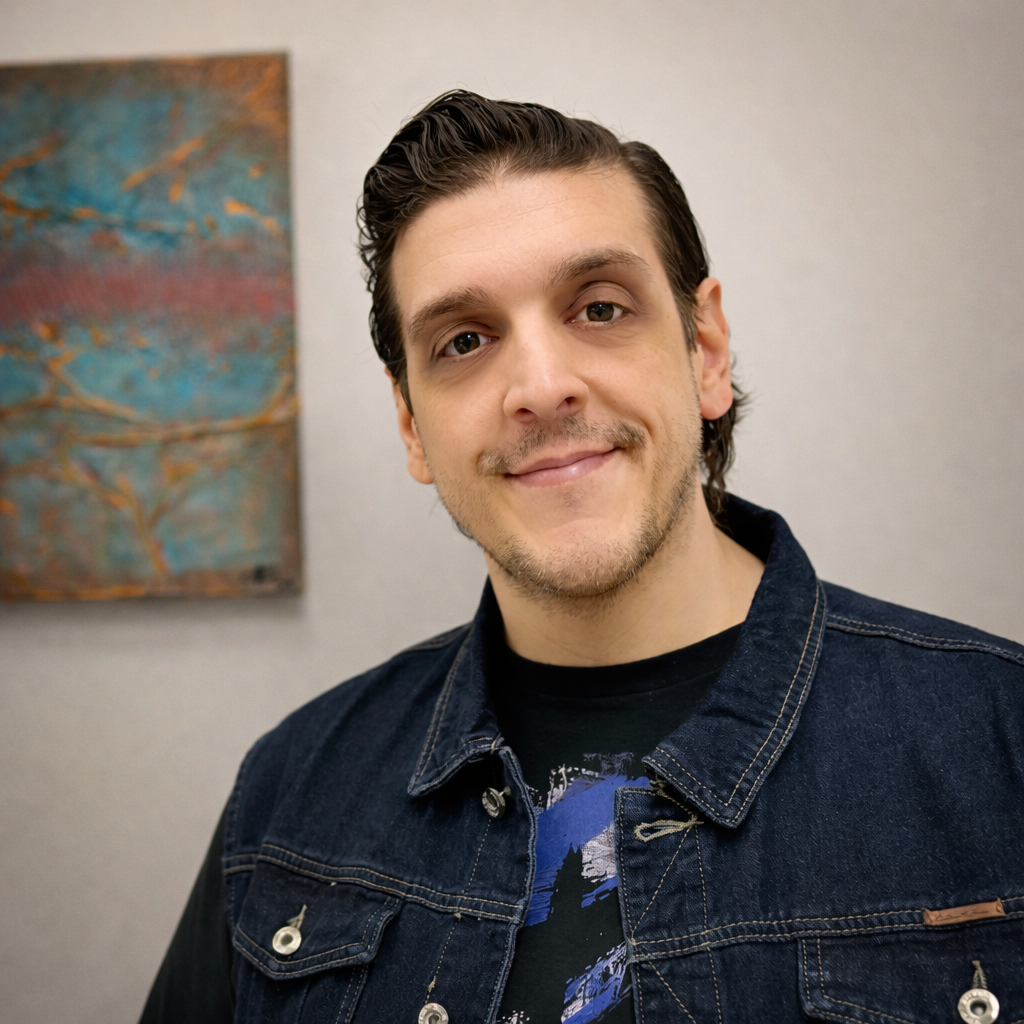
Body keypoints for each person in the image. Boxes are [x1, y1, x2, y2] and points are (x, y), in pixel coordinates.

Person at [141, 91, 1024, 1024]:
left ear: (705, 349)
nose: (542, 386)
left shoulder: (1000, 744)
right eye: (465, 340)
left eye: (599, 308)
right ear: (410, 422)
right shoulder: (292, 793)